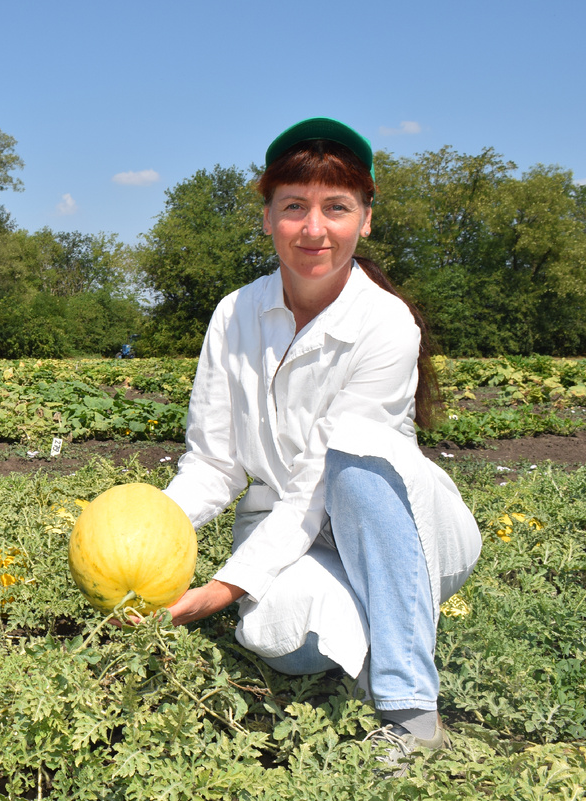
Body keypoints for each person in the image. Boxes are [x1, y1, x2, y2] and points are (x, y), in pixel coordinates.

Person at [160, 118, 481, 765]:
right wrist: (151, 529)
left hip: (395, 524)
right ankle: (386, 622)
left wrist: (223, 585)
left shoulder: (386, 322)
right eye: (294, 206)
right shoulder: (234, 315)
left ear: (365, 216)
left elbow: (315, 487)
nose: (314, 229)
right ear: (267, 216)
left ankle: (410, 709)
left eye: (336, 207)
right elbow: (214, 462)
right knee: (279, 635)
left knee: (353, 469)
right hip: (292, 532)